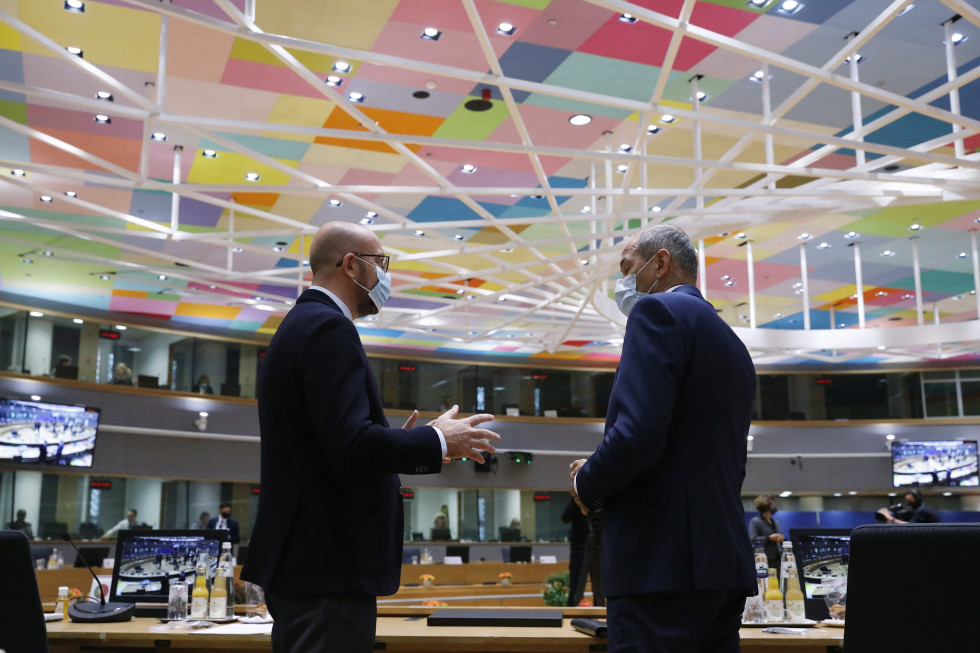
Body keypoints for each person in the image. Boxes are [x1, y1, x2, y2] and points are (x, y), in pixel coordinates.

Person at [241, 221, 500, 653]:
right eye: (380, 263)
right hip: (327, 566)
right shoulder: (329, 329)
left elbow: (330, 445)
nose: (385, 276)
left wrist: (398, 444)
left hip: (308, 564)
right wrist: (436, 440)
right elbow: (351, 445)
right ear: (350, 265)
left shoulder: (299, 325)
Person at [569, 224, 756, 653]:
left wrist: (587, 482)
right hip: (721, 565)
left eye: (627, 267)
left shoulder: (657, 314)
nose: (622, 282)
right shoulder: (732, 342)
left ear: (661, 263)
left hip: (661, 565)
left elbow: (637, 434)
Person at [562, 498, 590, 607]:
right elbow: (565, 517)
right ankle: (572, 609)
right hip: (581, 547)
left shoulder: (580, 498)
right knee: (575, 586)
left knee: (576, 585)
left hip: (589, 546)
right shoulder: (578, 499)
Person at [748, 495, 784, 574]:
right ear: (767, 505)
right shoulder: (755, 521)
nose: (774, 506)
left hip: (778, 558)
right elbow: (753, 539)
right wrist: (769, 538)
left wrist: (782, 538)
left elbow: (781, 537)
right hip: (764, 559)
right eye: (772, 504)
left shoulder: (775, 522)